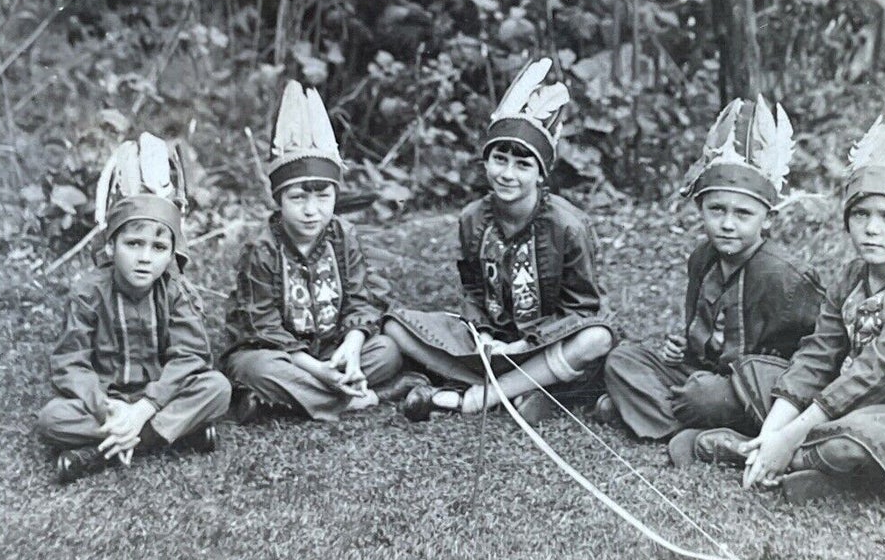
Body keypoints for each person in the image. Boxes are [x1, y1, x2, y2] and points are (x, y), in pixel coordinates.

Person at [675, 106, 885, 507]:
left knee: (854, 439)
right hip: (849, 398)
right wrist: (777, 429)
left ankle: (766, 456)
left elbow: (876, 374)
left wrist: (789, 437)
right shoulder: (849, 276)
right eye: (861, 214)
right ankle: (780, 454)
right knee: (762, 387)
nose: (872, 229)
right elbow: (819, 355)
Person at [383, 58, 614, 426]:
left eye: (523, 165)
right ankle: (526, 388)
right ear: (486, 162)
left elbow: (583, 310)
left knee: (597, 339)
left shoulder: (567, 226)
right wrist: (485, 335)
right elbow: (473, 288)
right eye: (499, 160)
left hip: (544, 343)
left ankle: (479, 397)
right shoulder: (473, 219)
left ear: (541, 174)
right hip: (493, 346)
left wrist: (524, 344)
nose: (507, 174)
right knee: (396, 326)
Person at [598, 97, 822, 443]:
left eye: (743, 214)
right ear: (700, 209)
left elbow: (814, 356)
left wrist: (753, 385)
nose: (728, 224)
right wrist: (685, 348)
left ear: (768, 218)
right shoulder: (703, 258)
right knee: (623, 359)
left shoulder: (784, 276)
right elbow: (700, 332)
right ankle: (694, 429)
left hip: (754, 388)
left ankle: (658, 416)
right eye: (716, 210)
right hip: (703, 374)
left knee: (703, 395)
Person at [38, 133, 231, 485]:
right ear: (111, 245)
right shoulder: (89, 292)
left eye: (158, 247)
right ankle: (177, 435)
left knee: (217, 388)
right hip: (109, 400)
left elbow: (190, 357)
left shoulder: (175, 291)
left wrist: (144, 409)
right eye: (133, 243)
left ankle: (97, 454)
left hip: (159, 398)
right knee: (52, 419)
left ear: (172, 252)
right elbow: (70, 362)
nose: (145, 257)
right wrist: (107, 407)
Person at [222, 80, 401, 423]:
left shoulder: (343, 235)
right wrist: (317, 370)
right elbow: (263, 326)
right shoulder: (262, 249)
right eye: (298, 197)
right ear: (279, 199)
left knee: (388, 351)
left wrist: (351, 347)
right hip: (280, 355)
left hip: (332, 348)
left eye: (323, 197)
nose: (311, 210)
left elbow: (360, 300)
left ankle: (287, 402)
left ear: (335, 196)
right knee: (252, 369)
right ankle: (357, 397)